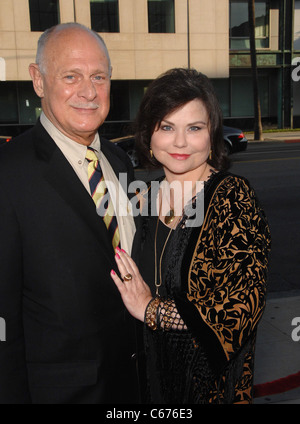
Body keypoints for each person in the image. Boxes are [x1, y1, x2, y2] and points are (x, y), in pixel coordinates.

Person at [111, 68, 271, 404]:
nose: (180, 142)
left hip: (207, 389)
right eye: (167, 127)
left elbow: (238, 309)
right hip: (149, 383)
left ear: (211, 134)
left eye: (194, 128)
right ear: (148, 135)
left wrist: (150, 310)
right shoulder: (143, 197)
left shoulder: (232, 199)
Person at [0, 23, 139, 404]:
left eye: (99, 76)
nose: (89, 92)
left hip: (134, 385)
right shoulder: (8, 173)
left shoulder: (119, 161)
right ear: (38, 80)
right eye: (71, 76)